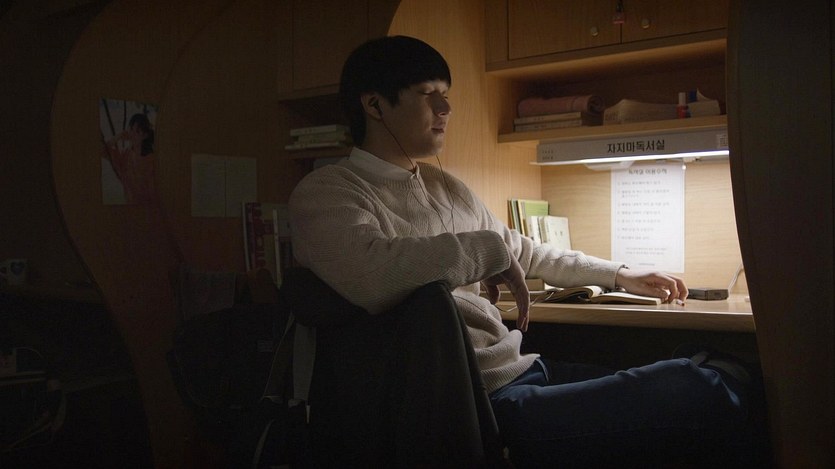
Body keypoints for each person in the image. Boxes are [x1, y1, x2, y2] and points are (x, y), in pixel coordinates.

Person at [288, 35, 756, 467]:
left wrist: (620, 274)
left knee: (702, 368)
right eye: (428, 94)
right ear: (374, 104)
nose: (446, 107)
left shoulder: (446, 187)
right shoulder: (328, 192)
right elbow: (375, 274)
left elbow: (523, 252)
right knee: (698, 389)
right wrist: (488, 250)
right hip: (481, 405)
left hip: (523, 370)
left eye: (445, 93)